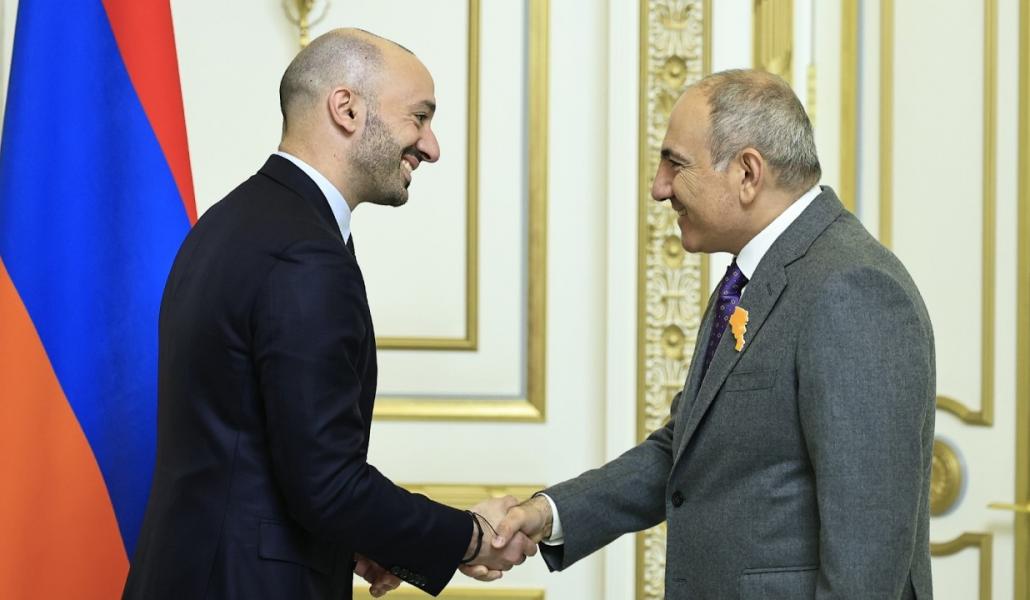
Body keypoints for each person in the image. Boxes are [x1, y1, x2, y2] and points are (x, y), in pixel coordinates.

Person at [474, 69, 936, 598]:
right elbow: (686, 452)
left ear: (747, 173)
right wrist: (546, 513)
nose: (659, 188)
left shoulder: (853, 288)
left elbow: (868, 558)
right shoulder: (751, 279)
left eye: (676, 164)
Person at [122, 28, 533, 600]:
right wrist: (469, 537)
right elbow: (327, 486)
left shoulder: (228, 222)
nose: (432, 147)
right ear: (347, 108)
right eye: (419, 118)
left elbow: (256, 458)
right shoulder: (306, 254)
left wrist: (365, 539)